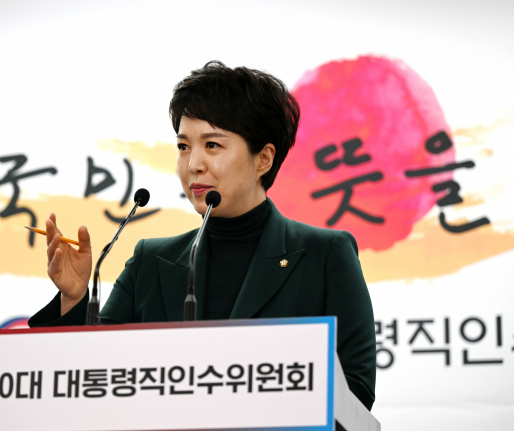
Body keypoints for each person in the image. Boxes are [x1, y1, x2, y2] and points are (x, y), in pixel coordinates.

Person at [29, 61, 376, 410]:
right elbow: (88, 380)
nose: (193, 164)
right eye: (183, 146)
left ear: (263, 159)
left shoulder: (324, 255)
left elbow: (356, 389)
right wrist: (73, 299)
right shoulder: (151, 262)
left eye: (212, 145)